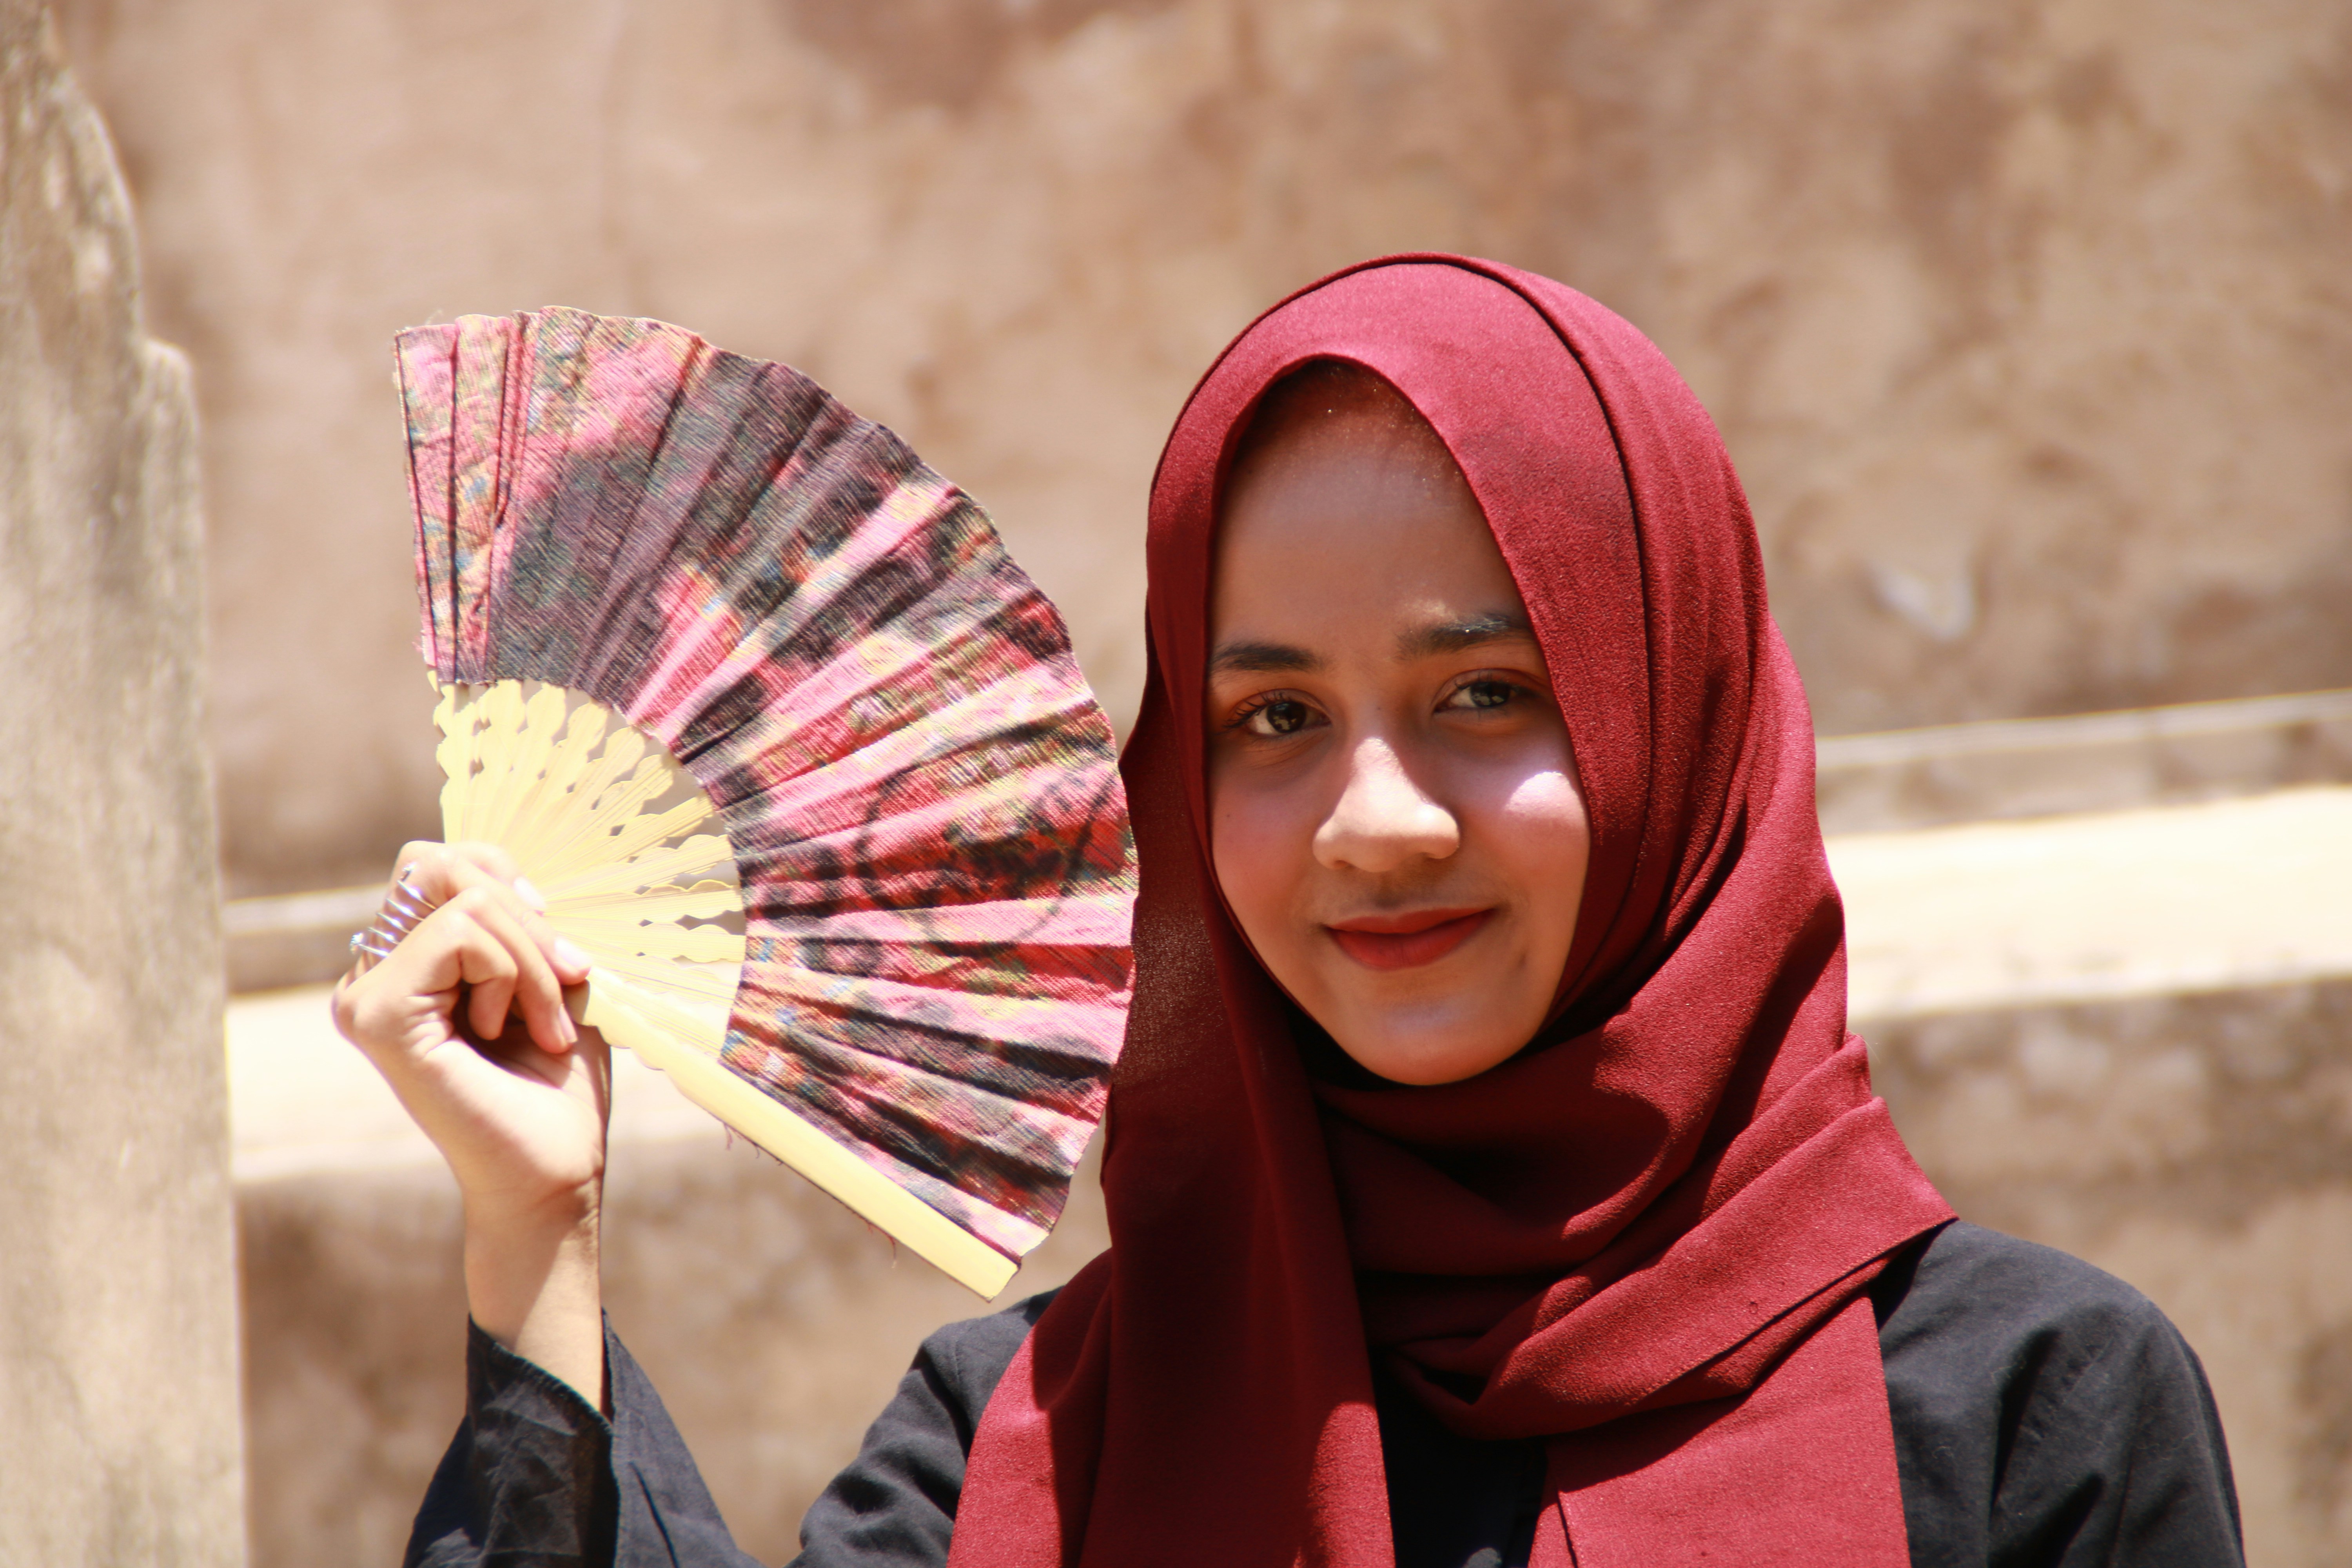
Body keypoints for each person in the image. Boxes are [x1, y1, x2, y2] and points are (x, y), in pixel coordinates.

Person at [338, 256, 2243, 1568]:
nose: (1376, 823)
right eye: (1275, 719)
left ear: (1682, 718)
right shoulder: (1021, 1449)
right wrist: (541, 1236)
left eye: (1485, 693)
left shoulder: (2022, 1414)